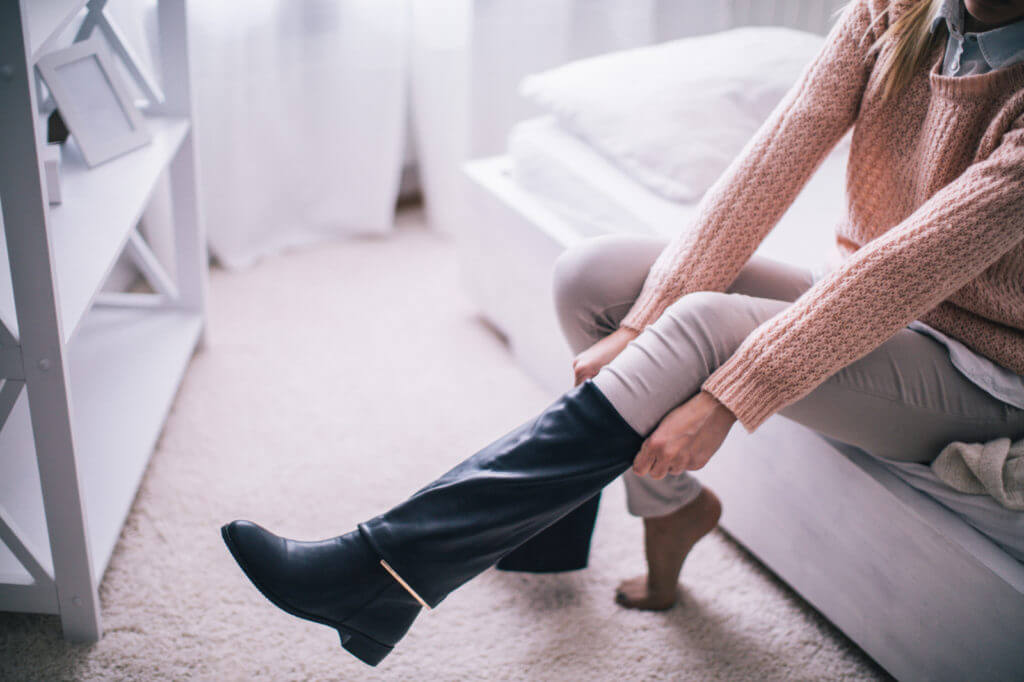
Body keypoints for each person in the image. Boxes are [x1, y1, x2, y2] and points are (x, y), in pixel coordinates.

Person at [222, 0, 1024, 667]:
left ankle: (384, 569)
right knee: (597, 277)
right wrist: (643, 320)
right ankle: (645, 514)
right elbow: (769, 163)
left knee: (705, 326)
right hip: (863, 295)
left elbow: (901, 275)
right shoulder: (895, 11)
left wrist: (727, 395)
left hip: (984, 369)